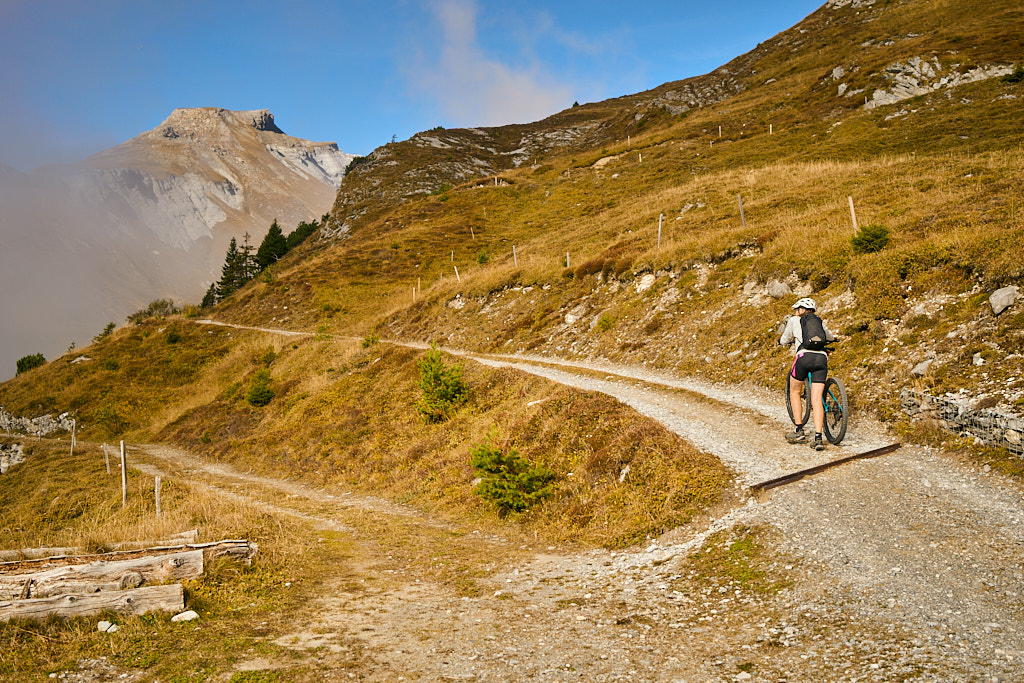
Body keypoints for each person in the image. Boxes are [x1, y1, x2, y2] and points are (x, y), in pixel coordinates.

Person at [779, 297, 836, 451]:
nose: (795, 312)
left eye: (796, 309)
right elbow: (829, 336)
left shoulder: (794, 320)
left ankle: (799, 431)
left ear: (801, 310)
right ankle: (818, 438)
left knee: (795, 391)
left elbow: (785, 339)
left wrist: (781, 342)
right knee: (817, 399)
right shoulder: (818, 321)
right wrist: (833, 339)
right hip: (821, 358)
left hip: (803, 357)